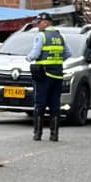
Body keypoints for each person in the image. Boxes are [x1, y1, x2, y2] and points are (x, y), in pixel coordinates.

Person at [26, 13, 67, 141]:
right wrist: (56, 60)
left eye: (39, 23)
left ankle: (38, 133)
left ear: (46, 23)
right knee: (55, 104)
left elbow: (35, 53)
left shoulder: (41, 36)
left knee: (40, 103)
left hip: (43, 75)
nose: (37, 25)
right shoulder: (60, 37)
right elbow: (68, 53)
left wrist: (28, 58)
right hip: (58, 75)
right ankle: (54, 134)